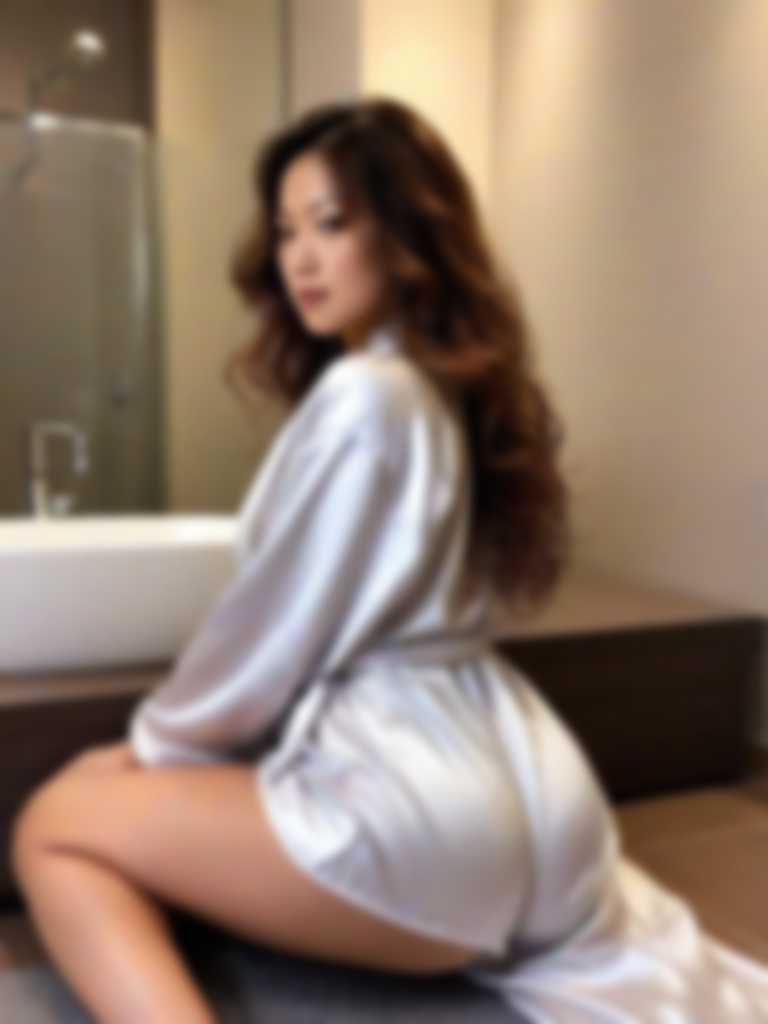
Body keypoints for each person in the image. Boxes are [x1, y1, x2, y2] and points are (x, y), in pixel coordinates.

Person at [10, 96, 768, 1024]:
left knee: (52, 827)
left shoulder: (364, 397)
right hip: (543, 803)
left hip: (426, 817)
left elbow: (269, 632)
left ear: (405, 234)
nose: (300, 258)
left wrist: (150, 749)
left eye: (331, 223)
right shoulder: (451, 388)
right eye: (286, 231)